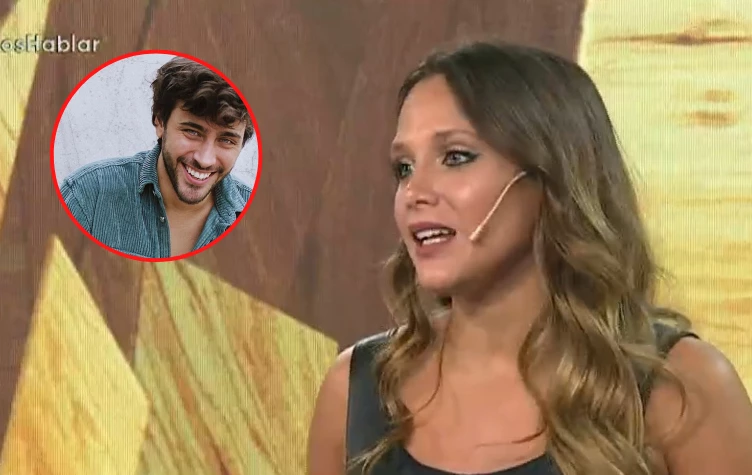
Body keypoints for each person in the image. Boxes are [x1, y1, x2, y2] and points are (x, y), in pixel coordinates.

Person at [307, 40, 752, 475]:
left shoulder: (683, 388)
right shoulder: (355, 392)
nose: (413, 193)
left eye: (456, 157)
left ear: (550, 175)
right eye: (404, 168)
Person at [59, 56, 254, 258]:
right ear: (160, 122)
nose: (205, 159)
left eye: (226, 140)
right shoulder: (87, 196)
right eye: (192, 132)